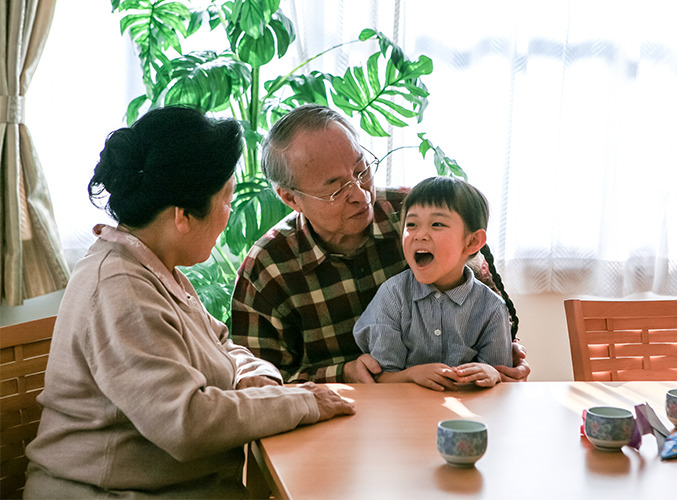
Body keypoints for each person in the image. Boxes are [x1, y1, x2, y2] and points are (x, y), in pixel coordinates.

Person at [24, 106, 354, 499]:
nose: (228, 216)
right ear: (183, 215)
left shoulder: (154, 268)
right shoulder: (119, 289)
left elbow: (223, 345)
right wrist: (300, 402)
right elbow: (185, 424)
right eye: (227, 200)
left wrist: (257, 378)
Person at [231, 104, 530, 384]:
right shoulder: (268, 268)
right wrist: (343, 374)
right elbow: (259, 385)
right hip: (330, 426)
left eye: (362, 171)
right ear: (291, 198)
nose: (361, 195)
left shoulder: (415, 215)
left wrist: (505, 354)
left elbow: (492, 305)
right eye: (336, 189)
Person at [353, 176, 515, 391]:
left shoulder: (492, 308)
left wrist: (493, 373)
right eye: (411, 224)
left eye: (437, 224)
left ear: (472, 241)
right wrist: (412, 375)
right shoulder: (392, 296)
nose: (420, 235)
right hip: (402, 414)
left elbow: (504, 380)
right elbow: (381, 378)